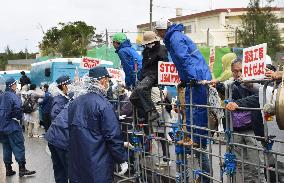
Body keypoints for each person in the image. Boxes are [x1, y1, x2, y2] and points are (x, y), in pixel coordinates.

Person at [155, 19, 211, 182]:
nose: (158, 34)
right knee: (190, 108)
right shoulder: (174, 36)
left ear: (163, 30)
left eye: (159, 31)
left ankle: (197, 138)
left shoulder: (174, 38)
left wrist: (192, 77)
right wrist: (186, 79)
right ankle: (190, 136)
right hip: (191, 76)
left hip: (197, 76)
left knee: (197, 108)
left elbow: (184, 58)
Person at [68, 66, 127, 183]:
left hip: (77, 163)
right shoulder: (103, 104)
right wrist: (121, 159)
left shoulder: (75, 102)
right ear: (103, 80)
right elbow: (112, 136)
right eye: (108, 80)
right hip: (98, 165)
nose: (108, 84)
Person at [218, 58, 266, 182]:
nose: (238, 74)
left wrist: (247, 86)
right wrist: (218, 85)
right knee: (242, 167)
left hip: (252, 130)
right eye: (235, 71)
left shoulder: (257, 82)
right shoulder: (231, 84)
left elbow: (258, 98)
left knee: (257, 167)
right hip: (236, 130)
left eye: (241, 70)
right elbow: (229, 94)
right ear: (231, 71)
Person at [0, 77, 36, 177]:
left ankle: (8, 169)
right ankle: (22, 169)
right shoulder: (13, 96)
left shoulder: (1, 95)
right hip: (12, 126)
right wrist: (20, 114)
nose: (17, 86)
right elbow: (17, 110)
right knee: (18, 146)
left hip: (1, 128)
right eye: (16, 84)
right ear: (12, 85)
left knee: (6, 148)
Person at [130, 31, 169, 122]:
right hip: (146, 76)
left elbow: (165, 65)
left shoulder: (162, 50)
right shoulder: (146, 51)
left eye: (149, 43)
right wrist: (141, 77)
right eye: (147, 43)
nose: (148, 45)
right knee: (133, 98)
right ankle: (146, 113)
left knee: (141, 88)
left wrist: (160, 79)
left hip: (155, 75)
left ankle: (152, 111)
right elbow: (144, 66)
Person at [45, 75, 73, 183]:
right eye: (70, 85)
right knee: (65, 169)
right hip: (60, 139)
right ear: (64, 86)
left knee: (60, 170)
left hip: (55, 138)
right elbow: (56, 117)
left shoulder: (64, 98)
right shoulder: (59, 100)